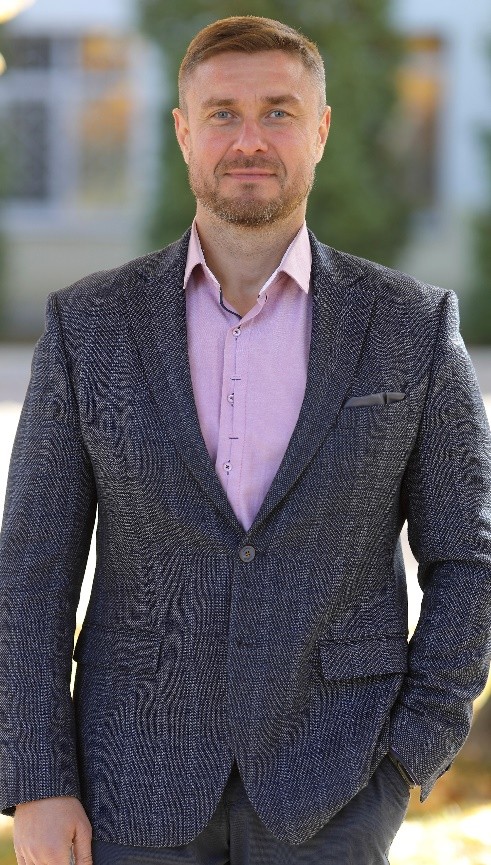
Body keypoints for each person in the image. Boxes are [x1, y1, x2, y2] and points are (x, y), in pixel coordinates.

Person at [0, 14, 490, 865]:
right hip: (128, 784)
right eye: (222, 113)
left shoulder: (410, 326)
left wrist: (412, 749)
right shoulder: (89, 326)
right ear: (183, 133)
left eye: (278, 111)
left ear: (321, 130)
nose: (249, 139)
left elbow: (469, 559)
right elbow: (31, 571)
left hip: (335, 786)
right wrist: (39, 780)